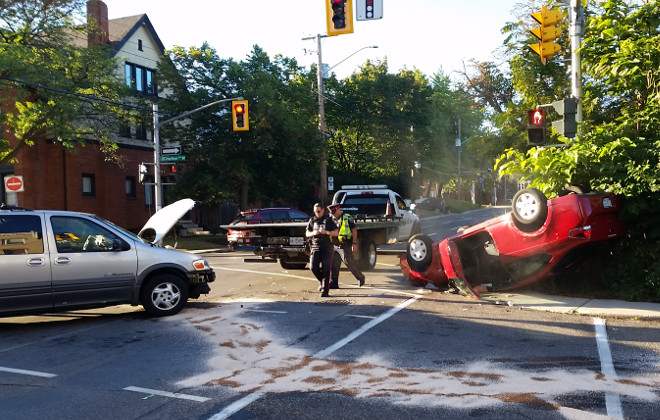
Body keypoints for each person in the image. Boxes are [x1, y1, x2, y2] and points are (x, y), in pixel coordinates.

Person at [328, 203, 365, 288]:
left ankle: (360, 277)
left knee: (348, 262)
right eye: (332, 213)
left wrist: (354, 243)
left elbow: (354, 230)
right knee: (334, 264)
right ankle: (334, 283)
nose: (333, 214)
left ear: (338, 209)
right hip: (334, 244)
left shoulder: (347, 217)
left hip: (345, 244)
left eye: (334, 212)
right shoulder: (332, 219)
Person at [306, 203, 338, 297]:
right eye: (315, 211)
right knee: (313, 267)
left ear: (323, 210)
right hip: (315, 246)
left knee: (326, 268)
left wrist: (326, 232)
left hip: (327, 246)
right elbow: (307, 233)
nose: (317, 213)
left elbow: (336, 232)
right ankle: (323, 282)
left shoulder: (328, 220)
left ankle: (325, 290)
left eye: (319, 211)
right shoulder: (312, 220)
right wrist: (313, 233)